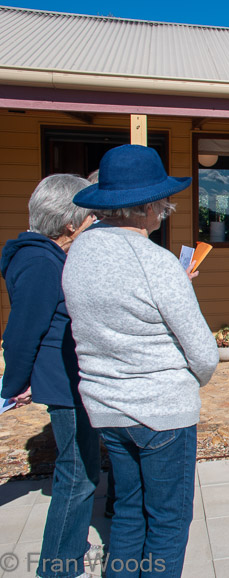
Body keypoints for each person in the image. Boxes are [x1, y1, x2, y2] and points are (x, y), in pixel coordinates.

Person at [63, 145, 219, 578]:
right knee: (168, 520)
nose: (165, 211)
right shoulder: (156, 261)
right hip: (161, 409)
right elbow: (204, 353)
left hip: (106, 405)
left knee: (129, 511)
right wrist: (193, 378)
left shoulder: (79, 251)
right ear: (147, 207)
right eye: (162, 204)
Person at [1, 174, 98, 578]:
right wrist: (14, 385)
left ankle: (71, 546)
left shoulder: (44, 255)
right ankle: (59, 565)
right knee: (77, 475)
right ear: (68, 225)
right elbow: (23, 331)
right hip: (63, 383)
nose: (94, 223)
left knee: (82, 470)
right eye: (88, 217)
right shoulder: (40, 262)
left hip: (69, 378)